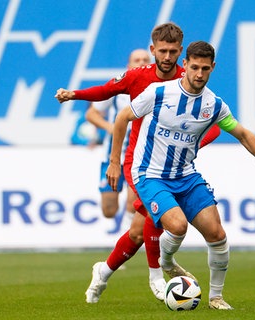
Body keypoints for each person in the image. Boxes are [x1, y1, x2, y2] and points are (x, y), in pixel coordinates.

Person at [107, 40, 255, 310]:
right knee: (177, 225)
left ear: (213, 68)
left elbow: (243, 134)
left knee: (217, 233)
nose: (199, 74)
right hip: (150, 174)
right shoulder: (159, 92)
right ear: (184, 65)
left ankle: (216, 297)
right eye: (194, 67)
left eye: (205, 69)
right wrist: (114, 161)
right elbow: (122, 118)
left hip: (186, 176)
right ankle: (167, 262)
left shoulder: (213, 104)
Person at [55, 22, 221, 303]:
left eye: (172, 52)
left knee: (136, 231)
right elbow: (106, 91)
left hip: (173, 165)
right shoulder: (137, 77)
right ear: (153, 50)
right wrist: (75, 94)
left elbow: (213, 125)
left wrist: (191, 144)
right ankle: (157, 274)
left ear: (180, 52)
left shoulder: (189, 78)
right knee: (148, 211)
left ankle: (103, 272)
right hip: (140, 161)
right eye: (163, 51)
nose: (167, 57)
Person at [84, 49, 150, 227]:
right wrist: (110, 128)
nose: (142, 62)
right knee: (109, 209)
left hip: (140, 157)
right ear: (129, 66)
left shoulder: (158, 88)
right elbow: (91, 113)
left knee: (132, 202)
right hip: (113, 154)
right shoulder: (118, 87)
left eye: (145, 59)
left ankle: (132, 241)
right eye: (137, 60)